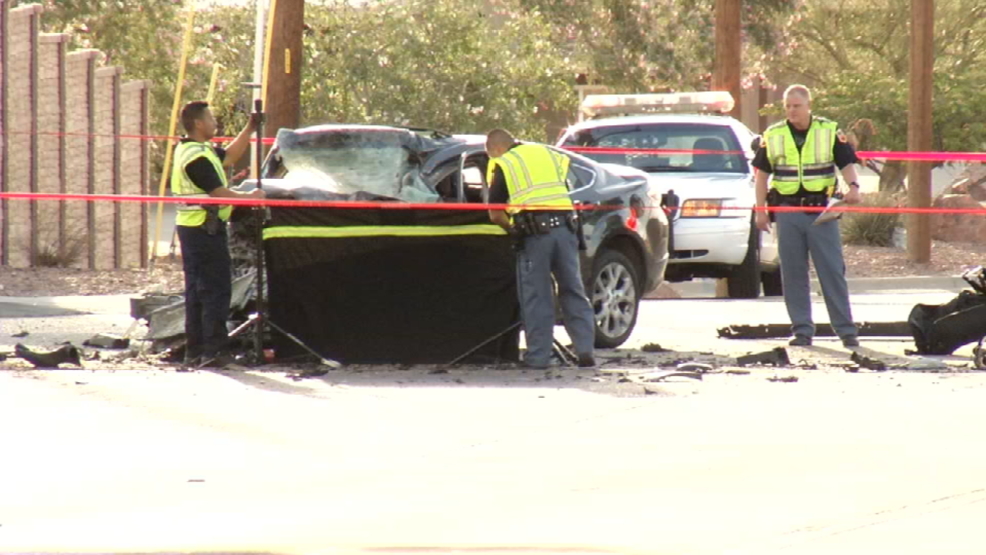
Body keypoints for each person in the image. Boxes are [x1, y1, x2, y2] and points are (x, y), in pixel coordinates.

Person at [752, 84, 861, 348]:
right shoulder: (774, 134)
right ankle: (802, 330)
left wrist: (854, 187)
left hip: (821, 211)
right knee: (793, 273)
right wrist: (760, 210)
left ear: (808, 105)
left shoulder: (828, 130)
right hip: (788, 211)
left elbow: (846, 163)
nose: (792, 111)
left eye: (797, 106)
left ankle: (846, 331)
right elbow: (761, 176)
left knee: (832, 271)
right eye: (788, 106)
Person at [485, 128, 596, 369]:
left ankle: (538, 357)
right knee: (573, 289)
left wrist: (512, 230)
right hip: (567, 229)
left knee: (537, 295)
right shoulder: (547, 154)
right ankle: (585, 350)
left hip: (535, 235)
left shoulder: (505, 163)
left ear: (496, 148)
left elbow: (495, 214)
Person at [172, 101, 266, 367]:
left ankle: (196, 352)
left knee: (197, 292)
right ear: (198, 123)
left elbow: (229, 157)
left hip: (196, 227)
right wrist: (250, 198)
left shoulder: (198, 149)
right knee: (215, 291)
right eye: (211, 118)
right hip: (203, 229)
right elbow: (218, 192)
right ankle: (214, 352)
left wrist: (250, 128)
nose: (215, 123)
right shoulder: (195, 157)